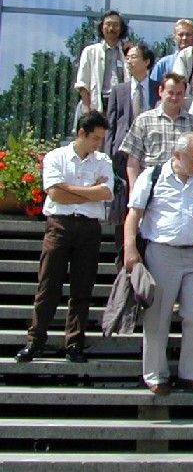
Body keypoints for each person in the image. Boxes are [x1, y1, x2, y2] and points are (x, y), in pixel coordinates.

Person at [123, 132, 193, 395]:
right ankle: (156, 375)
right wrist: (130, 250)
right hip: (161, 252)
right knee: (158, 315)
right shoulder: (153, 176)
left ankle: (191, 374)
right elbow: (134, 214)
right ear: (177, 155)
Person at [14, 111, 113, 364]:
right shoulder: (56, 157)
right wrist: (89, 192)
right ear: (81, 133)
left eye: (101, 139)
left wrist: (69, 190)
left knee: (82, 288)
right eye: (95, 138)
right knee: (48, 286)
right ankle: (35, 341)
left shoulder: (103, 161)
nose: (98, 144)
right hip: (59, 225)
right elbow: (55, 195)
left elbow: (105, 193)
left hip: (89, 227)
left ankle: (74, 343)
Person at [119, 72, 193, 188]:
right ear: (161, 91)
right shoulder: (143, 120)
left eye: (179, 94)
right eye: (170, 93)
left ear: (184, 94)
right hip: (152, 186)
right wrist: (134, 190)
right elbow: (133, 159)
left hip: (186, 187)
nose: (174, 97)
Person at [106, 43, 160, 191]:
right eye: (127, 58)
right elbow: (111, 125)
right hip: (123, 152)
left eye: (134, 57)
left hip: (151, 151)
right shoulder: (118, 90)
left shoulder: (159, 88)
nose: (129, 61)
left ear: (146, 61)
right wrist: (109, 153)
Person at [75, 10, 130, 116]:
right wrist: (86, 108)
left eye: (115, 25)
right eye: (108, 24)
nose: (111, 28)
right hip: (97, 105)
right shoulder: (90, 51)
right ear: (101, 27)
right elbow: (83, 82)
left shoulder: (127, 52)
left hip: (121, 106)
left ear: (121, 28)